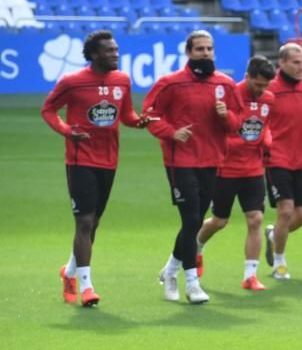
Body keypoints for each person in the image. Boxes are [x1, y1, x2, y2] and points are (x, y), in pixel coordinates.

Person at [41, 29, 148, 307]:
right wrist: (66, 130)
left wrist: (140, 122)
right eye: (110, 50)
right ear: (94, 54)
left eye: (116, 49)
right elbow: (48, 110)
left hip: (109, 160)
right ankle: (87, 287)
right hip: (80, 160)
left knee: (94, 223)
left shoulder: (122, 80)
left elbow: (126, 116)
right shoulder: (72, 82)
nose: (116, 54)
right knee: (85, 222)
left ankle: (69, 271)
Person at [145, 30, 242, 304]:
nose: (206, 53)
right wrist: (170, 132)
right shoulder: (170, 84)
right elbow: (149, 116)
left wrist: (226, 116)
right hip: (181, 160)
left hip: (211, 159)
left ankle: (170, 271)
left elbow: (237, 123)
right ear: (188, 52)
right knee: (190, 220)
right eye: (200, 49)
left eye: (209, 49)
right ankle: (192, 283)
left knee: (196, 221)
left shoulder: (225, 84)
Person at [195, 55, 276, 292]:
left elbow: (265, 125)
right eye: (257, 84)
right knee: (220, 221)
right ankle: (197, 247)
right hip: (226, 167)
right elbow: (219, 127)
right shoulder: (230, 95)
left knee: (256, 219)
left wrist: (267, 139)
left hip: (253, 168)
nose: (261, 90)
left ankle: (250, 275)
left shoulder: (268, 99)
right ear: (247, 76)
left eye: (265, 86)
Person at [263, 43, 302, 280]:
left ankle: (273, 236)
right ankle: (279, 262)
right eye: (296, 62)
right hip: (277, 158)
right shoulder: (269, 90)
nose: (301, 67)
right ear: (282, 63)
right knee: (286, 211)